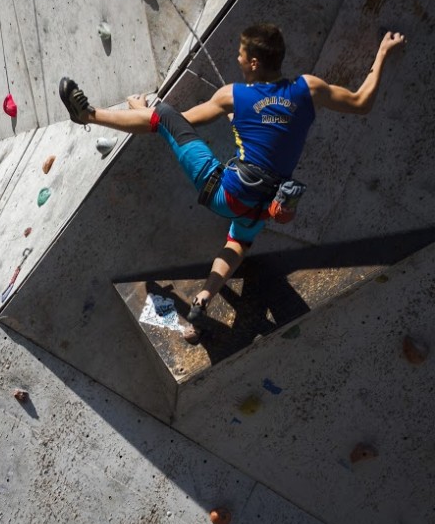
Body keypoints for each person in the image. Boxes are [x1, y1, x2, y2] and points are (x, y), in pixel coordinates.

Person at [59, 24, 405, 342]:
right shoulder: (308, 88)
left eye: (240, 53)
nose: (236, 57)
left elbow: (178, 121)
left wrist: (144, 108)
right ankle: (206, 293)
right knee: (238, 243)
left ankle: (86, 115)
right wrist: (383, 54)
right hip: (263, 205)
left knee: (162, 117)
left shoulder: (233, 96)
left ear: (253, 62)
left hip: (225, 191)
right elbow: (361, 102)